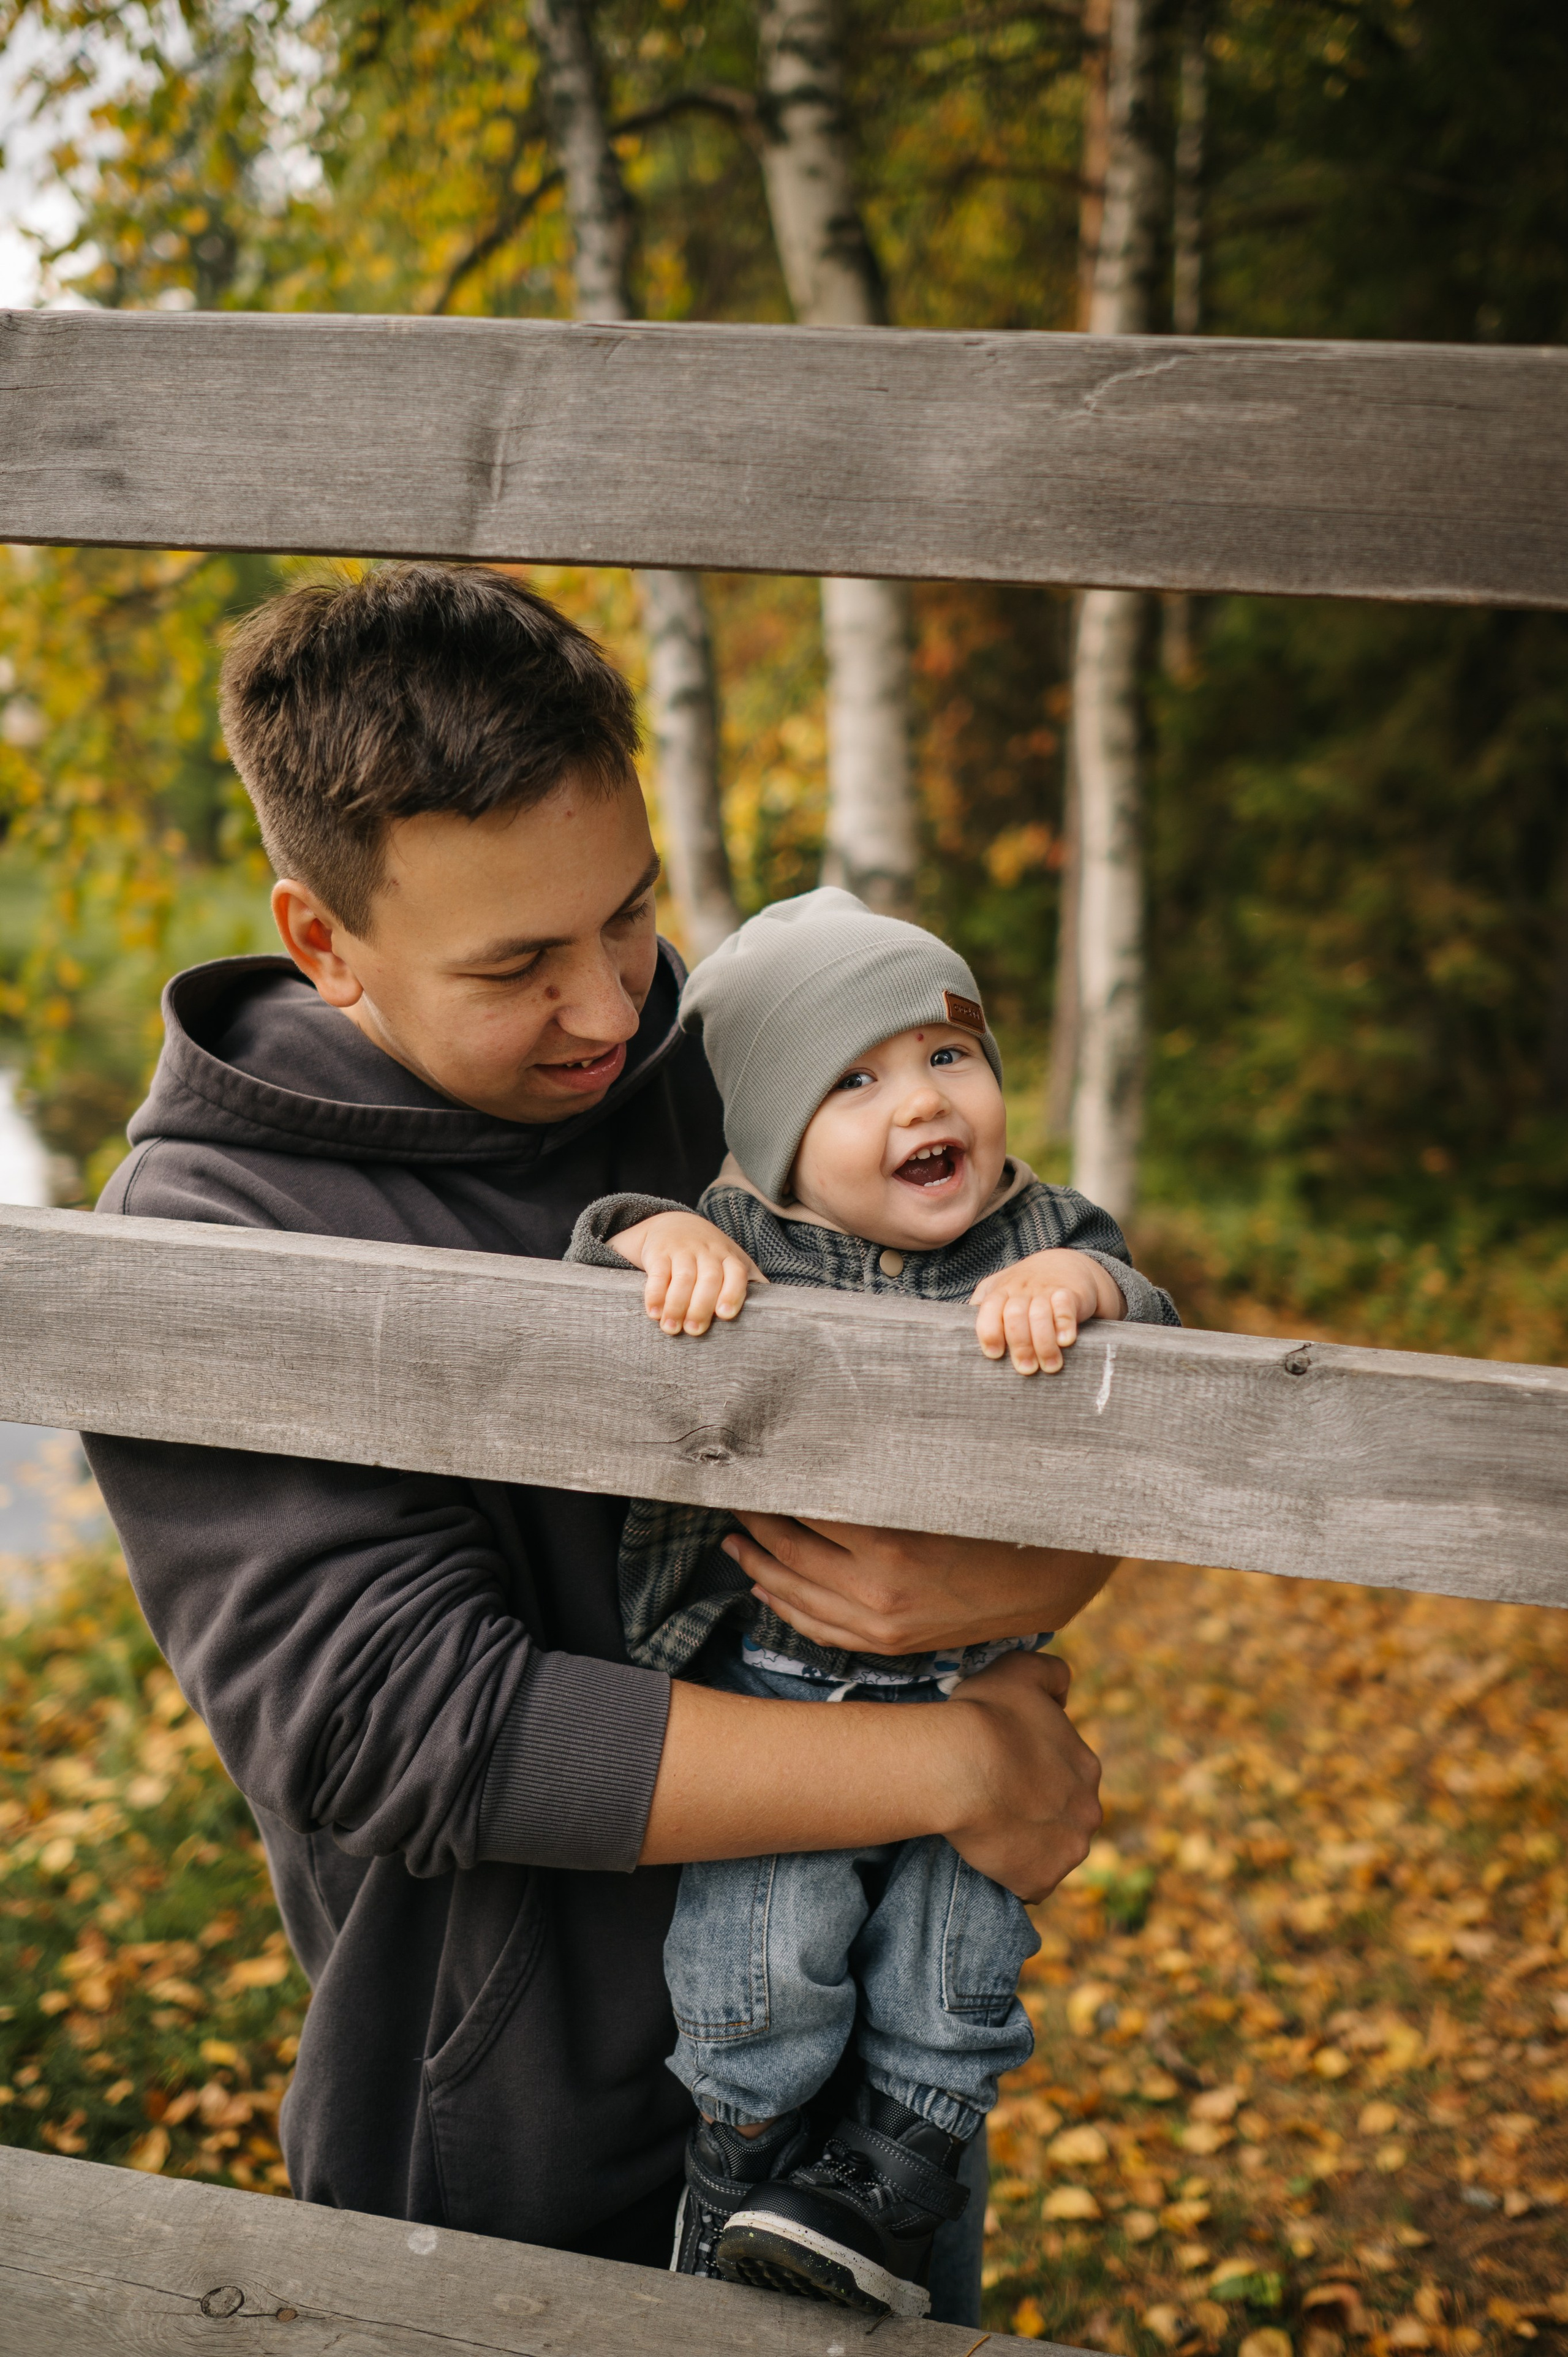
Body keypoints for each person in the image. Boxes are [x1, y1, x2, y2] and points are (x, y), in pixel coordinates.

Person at [81, 563, 1109, 2318]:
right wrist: (963, 1766)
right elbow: (401, 1727)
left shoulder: (696, 1060)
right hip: (525, 2156)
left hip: (871, 2082)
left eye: (628, 916)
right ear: (323, 940)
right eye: (520, 965)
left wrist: (1030, 1575)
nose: (612, 1010)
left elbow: (991, 1359)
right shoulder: (208, 1229)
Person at [565, 889, 1179, 2315]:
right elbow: (595, 1251)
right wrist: (656, 1247)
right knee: (760, 1942)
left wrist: (1082, 1281)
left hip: (975, 1684)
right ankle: (740, 2157)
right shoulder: (731, 1230)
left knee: (951, 1951)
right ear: (775, 1130)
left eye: (947, 1057)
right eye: (855, 1079)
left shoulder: (1034, 1229)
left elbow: (1147, 1308)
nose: (921, 1099)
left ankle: (901, 2162)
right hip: (776, 1679)